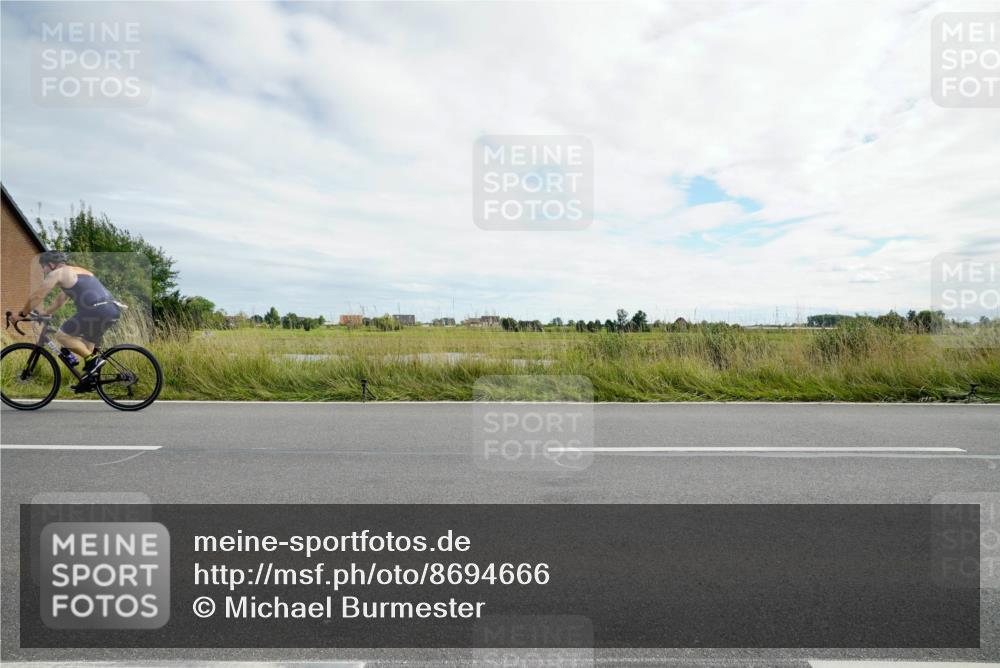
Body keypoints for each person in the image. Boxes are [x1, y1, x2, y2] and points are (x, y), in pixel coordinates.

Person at [20, 251, 121, 389]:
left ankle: (94, 360)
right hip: (112, 309)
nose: (43, 270)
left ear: (51, 264)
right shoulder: (78, 271)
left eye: (43, 266)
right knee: (85, 346)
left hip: (96, 310)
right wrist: (45, 313)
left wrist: (21, 314)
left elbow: (38, 295)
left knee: (62, 336)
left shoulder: (57, 273)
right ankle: (89, 382)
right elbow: (61, 300)